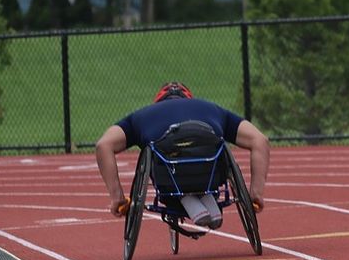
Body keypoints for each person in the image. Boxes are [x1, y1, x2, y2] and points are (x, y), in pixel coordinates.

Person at [96, 81, 269, 228]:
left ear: (158, 102)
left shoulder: (141, 116)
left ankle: (186, 198)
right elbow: (260, 140)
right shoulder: (212, 109)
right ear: (189, 99)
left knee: (158, 154)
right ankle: (206, 197)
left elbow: (103, 145)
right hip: (210, 174)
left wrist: (117, 197)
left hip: (169, 177)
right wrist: (255, 193)